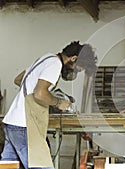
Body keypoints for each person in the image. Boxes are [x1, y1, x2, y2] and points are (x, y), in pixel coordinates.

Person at [1, 41, 97, 169]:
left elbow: (18, 80)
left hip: (12, 123)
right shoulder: (55, 64)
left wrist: (43, 94)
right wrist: (58, 102)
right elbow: (40, 94)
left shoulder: (46, 58)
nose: (75, 73)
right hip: (25, 126)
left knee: (9, 166)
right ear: (74, 59)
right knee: (42, 166)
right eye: (78, 69)